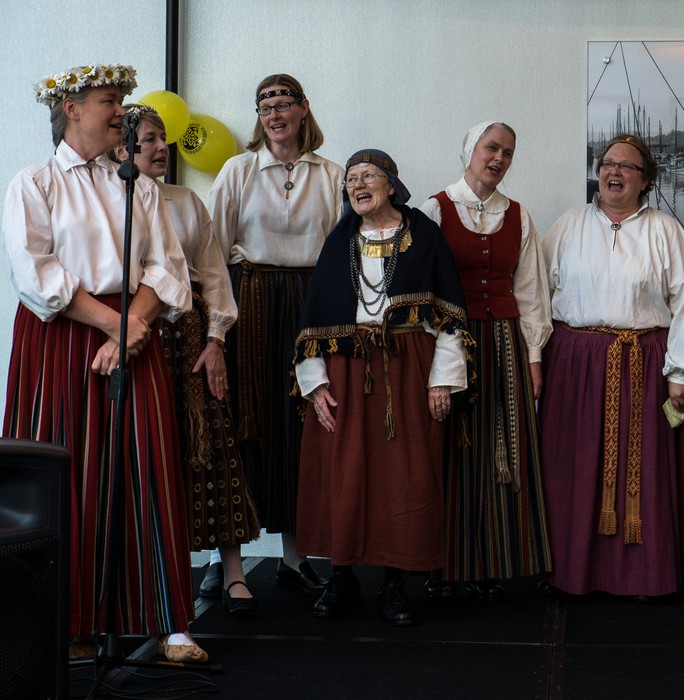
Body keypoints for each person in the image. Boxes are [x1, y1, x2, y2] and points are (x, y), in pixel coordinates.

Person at [2, 64, 206, 661]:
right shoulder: (34, 182)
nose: (121, 110)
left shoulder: (136, 184)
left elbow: (167, 268)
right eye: (109, 100)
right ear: (71, 109)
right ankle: (64, 624)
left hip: (130, 334)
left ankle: (167, 620)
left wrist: (131, 327)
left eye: (121, 101)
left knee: (147, 467)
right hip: (63, 338)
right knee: (64, 473)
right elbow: (36, 274)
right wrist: (115, 323)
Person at [293, 149, 472, 626]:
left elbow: (450, 318)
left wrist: (442, 383)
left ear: (391, 185)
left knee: (405, 473)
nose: (357, 185)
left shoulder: (424, 236)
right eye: (351, 179)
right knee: (342, 471)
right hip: (346, 369)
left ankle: (395, 584)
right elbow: (314, 323)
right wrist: (314, 385)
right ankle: (341, 577)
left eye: (368, 176)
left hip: (408, 366)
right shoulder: (339, 244)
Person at [540, 134, 684, 598]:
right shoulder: (568, 225)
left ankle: (643, 577)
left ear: (646, 179)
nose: (614, 172)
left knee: (646, 472)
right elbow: (536, 296)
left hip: (643, 363)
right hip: (575, 364)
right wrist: (537, 358)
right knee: (574, 465)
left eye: (627, 167)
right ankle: (572, 572)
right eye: (607, 163)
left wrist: (680, 374)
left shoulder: (665, 230)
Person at [115, 105, 261, 614]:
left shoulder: (186, 200)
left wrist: (215, 340)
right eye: (147, 140)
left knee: (213, 442)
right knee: (150, 450)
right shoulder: (112, 200)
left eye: (163, 139)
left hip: (192, 337)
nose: (160, 149)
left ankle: (235, 572)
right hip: (139, 335)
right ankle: (155, 571)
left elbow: (214, 274)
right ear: (120, 150)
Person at [207, 73, 343, 594]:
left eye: (285, 104)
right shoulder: (238, 170)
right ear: (258, 116)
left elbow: (338, 255)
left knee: (299, 423)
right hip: (251, 300)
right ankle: (232, 564)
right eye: (266, 106)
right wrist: (217, 327)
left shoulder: (331, 174)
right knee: (246, 421)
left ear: (304, 109)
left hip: (308, 302)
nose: (275, 114)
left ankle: (293, 557)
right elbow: (212, 253)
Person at [418, 121, 552, 603]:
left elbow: (531, 291)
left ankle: (492, 561)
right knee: (448, 445)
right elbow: (423, 286)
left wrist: (534, 356)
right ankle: (442, 564)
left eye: (508, 153)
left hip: (503, 340)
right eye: (491, 148)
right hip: (450, 338)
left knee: (504, 447)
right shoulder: (434, 209)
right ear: (469, 150)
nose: (498, 158)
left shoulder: (518, 215)